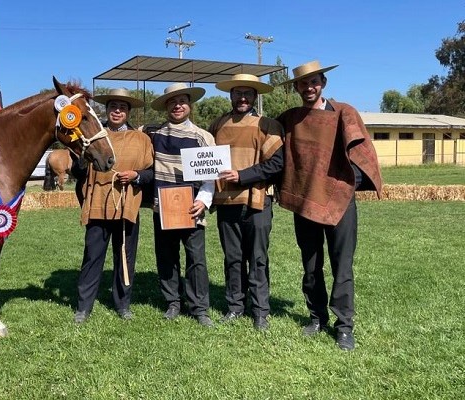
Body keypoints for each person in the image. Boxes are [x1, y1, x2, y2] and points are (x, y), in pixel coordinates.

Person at [278, 61, 382, 350]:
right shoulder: (290, 119)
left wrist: (345, 185)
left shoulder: (343, 113)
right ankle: (316, 317)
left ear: (323, 83)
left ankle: (344, 326)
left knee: (342, 266)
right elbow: (275, 154)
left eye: (314, 82)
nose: (309, 87)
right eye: (303, 83)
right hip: (306, 200)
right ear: (296, 87)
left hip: (340, 203)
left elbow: (362, 156)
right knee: (311, 265)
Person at [209, 74, 284, 331]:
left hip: (257, 201)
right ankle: (234, 307)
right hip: (226, 201)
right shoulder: (217, 125)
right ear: (230, 95)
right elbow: (204, 160)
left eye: (247, 93)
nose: (242, 98)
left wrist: (242, 176)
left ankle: (261, 310)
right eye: (237, 93)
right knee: (233, 257)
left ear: (255, 96)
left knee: (258, 257)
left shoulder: (268, 124)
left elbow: (276, 164)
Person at [73, 88, 154, 323]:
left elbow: (151, 173)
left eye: (122, 107)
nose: (117, 111)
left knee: (125, 258)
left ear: (128, 112)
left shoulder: (142, 140)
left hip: (126, 206)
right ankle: (84, 307)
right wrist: (80, 157)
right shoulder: (94, 135)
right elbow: (77, 172)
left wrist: (136, 175)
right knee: (92, 256)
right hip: (97, 204)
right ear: (106, 110)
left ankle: (123, 304)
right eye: (113, 107)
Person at [146, 82, 216, 327]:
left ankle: (199, 308)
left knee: (196, 258)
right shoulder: (153, 135)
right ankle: (173, 302)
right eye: (172, 102)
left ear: (189, 105)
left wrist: (203, 201)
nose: (177, 106)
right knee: (166, 256)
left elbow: (211, 175)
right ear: (166, 106)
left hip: (192, 207)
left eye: (182, 101)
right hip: (162, 208)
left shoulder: (203, 136)